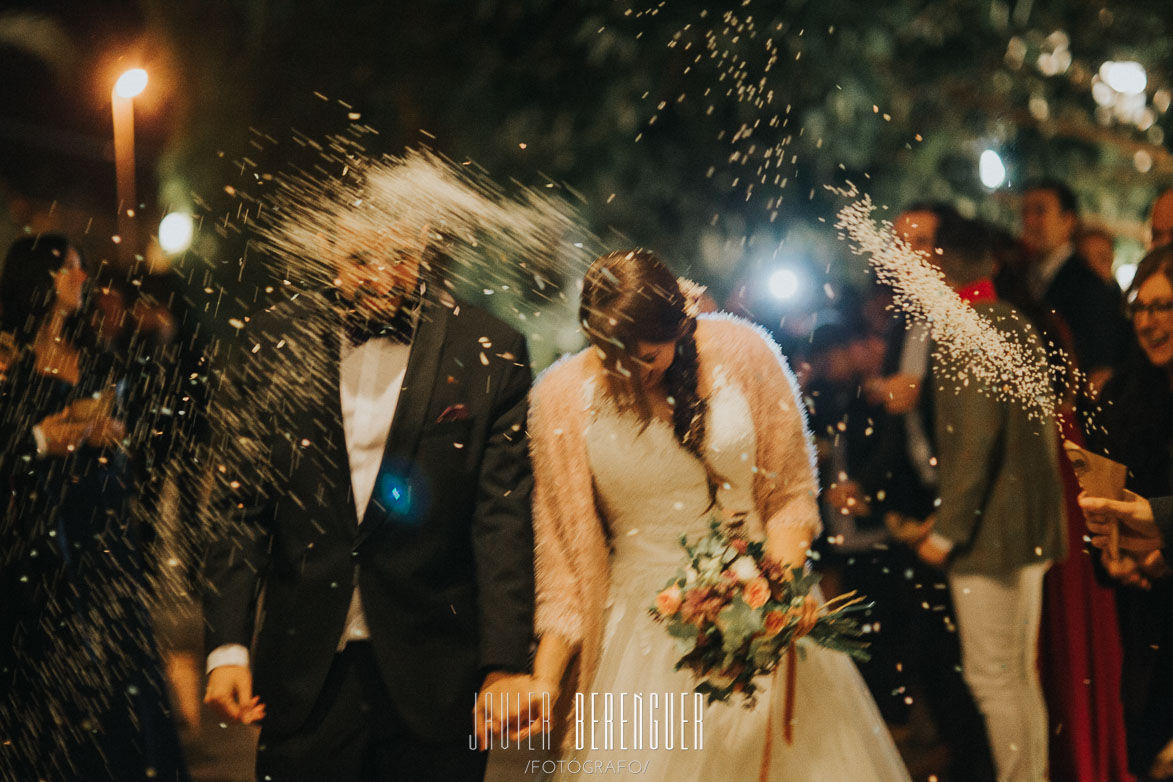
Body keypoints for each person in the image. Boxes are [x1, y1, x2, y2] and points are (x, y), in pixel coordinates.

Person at [523, 249, 911, 781]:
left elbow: (791, 494)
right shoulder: (558, 397)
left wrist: (768, 601)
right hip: (640, 630)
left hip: (760, 597)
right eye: (613, 358)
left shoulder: (741, 350)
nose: (632, 375)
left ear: (679, 329)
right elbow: (560, 559)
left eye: (648, 357)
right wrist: (545, 680)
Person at [200, 224, 539, 781]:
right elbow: (238, 507)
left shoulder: (491, 347)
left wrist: (503, 663)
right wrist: (227, 647)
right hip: (304, 674)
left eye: (399, 257)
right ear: (328, 253)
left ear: (424, 247)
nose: (380, 277)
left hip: (437, 676)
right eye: (360, 258)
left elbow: (500, 517)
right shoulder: (270, 342)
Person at [0, 235, 189, 781]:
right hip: (43, 545)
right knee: (56, 684)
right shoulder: (10, 360)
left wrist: (108, 429)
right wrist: (51, 436)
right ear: (40, 279)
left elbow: (127, 417)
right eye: (71, 269)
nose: (84, 279)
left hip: (105, 533)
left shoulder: (94, 352)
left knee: (122, 673)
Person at [900, 217, 1067, 782]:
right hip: (1026, 528)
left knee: (994, 678)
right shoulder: (1009, 318)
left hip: (989, 536)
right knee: (1016, 676)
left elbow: (975, 443)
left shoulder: (967, 325)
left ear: (939, 264)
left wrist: (945, 532)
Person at [1079, 244, 1173, 780]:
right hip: (1144, 614)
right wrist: (1108, 555)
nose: (1150, 322)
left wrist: (1164, 555)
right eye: (1141, 307)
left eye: (1164, 307)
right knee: (1145, 747)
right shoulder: (1123, 395)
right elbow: (1105, 492)